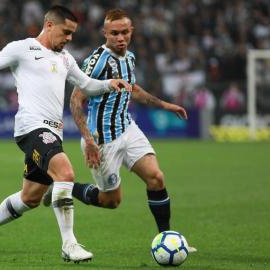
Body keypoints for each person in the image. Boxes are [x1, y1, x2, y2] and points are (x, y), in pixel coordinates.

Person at [0, 5, 131, 263]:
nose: (69, 38)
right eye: (66, 32)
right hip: (31, 127)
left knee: (30, 198)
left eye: (72, 34)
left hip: (53, 132)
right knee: (65, 173)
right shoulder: (22, 49)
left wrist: (109, 84)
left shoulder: (65, 58)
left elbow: (86, 85)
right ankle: (69, 245)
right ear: (50, 25)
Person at [42, 9, 196, 252]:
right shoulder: (97, 60)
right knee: (111, 201)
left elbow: (132, 89)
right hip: (102, 141)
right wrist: (89, 141)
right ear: (105, 34)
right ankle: (62, 189)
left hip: (128, 128)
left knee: (156, 178)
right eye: (114, 33)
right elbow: (75, 101)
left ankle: (167, 239)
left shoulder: (130, 58)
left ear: (131, 31)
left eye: (125, 32)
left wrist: (165, 105)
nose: (120, 37)